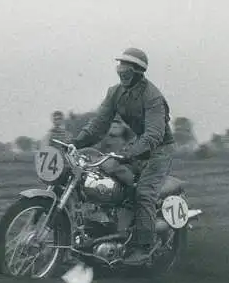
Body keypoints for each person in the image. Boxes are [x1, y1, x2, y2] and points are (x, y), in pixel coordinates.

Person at [71, 48, 175, 263]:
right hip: (137, 145)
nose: (122, 71)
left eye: (127, 68)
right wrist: (76, 142)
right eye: (120, 66)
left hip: (159, 150)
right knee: (106, 176)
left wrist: (129, 153)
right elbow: (99, 125)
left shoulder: (153, 97)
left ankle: (143, 246)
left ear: (139, 71)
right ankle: (105, 231)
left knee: (144, 193)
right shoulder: (115, 93)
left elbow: (154, 134)